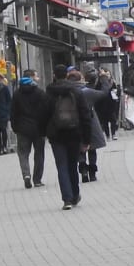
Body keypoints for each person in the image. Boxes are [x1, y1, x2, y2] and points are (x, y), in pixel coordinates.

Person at [40, 64, 93, 210]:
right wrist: (87, 139)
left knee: (61, 166)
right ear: (67, 75)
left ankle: (67, 199)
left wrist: (45, 133)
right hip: (74, 133)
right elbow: (85, 115)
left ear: (54, 75)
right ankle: (75, 194)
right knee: (72, 166)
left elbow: (43, 115)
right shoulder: (76, 92)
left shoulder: (49, 93)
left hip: (56, 135)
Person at [67, 70, 108, 182]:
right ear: (80, 79)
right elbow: (104, 93)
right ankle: (92, 173)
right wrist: (104, 78)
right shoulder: (87, 92)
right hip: (90, 122)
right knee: (92, 148)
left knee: (79, 149)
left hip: (73, 123)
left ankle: (83, 171)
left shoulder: (67, 92)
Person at [9, 70, 46, 189]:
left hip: (22, 129)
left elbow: (13, 112)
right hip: (39, 128)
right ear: (31, 80)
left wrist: (15, 127)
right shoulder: (39, 93)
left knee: (23, 153)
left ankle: (26, 175)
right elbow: (46, 110)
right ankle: (37, 179)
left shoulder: (16, 94)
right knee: (39, 153)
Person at [95, 68, 119, 140]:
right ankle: (108, 135)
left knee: (113, 119)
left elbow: (116, 91)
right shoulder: (99, 82)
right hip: (102, 104)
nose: (107, 75)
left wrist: (116, 92)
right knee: (105, 121)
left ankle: (113, 134)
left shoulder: (112, 82)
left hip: (111, 103)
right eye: (106, 74)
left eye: (108, 74)